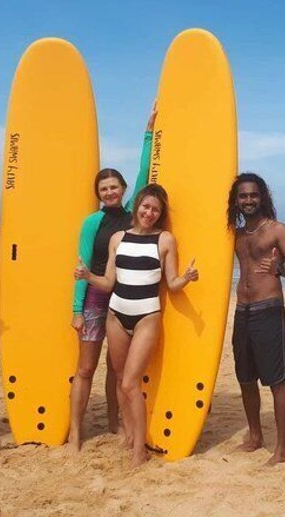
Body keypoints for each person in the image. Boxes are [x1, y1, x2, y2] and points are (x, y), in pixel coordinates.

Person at [75, 184, 198, 467]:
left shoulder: (165, 239)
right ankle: (130, 433)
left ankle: (139, 449)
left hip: (146, 317)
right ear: (138, 205)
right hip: (116, 314)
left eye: (155, 209)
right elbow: (108, 282)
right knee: (120, 379)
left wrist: (188, 277)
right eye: (146, 206)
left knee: (131, 382)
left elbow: (173, 284)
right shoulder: (118, 238)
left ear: (160, 213)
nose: (149, 213)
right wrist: (87, 276)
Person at [67, 103, 156, 453]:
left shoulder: (135, 213)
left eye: (114, 186)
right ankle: (75, 432)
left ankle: (113, 422)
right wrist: (77, 308)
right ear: (98, 194)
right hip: (95, 297)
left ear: (122, 189)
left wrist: (148, 132)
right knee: (85, 367)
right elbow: (82, 265)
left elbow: (144, 173)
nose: (109, 192)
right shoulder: (92, 223)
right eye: (103, 189)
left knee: (116, 368)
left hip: (125, 298)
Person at [227, 173, 285, 465]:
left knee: (276, 381)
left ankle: (282, 450)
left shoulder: (277, 230)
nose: (248, 200)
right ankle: (255, 436)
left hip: (268, 310)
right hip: (242, 311)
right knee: (245, 378)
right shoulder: (235, 235)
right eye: (243, 196)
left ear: (263, 197)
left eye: (253, 195)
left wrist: (280, 268)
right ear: (236, 201)